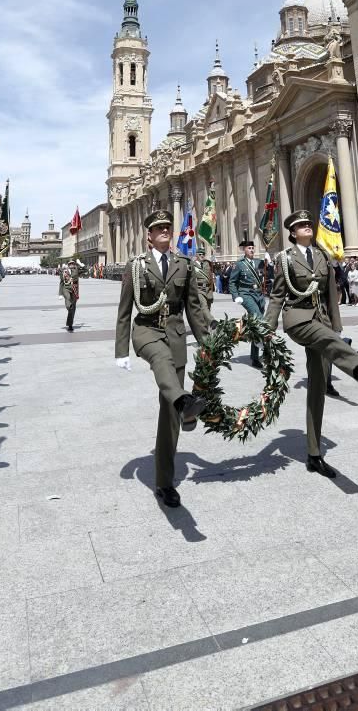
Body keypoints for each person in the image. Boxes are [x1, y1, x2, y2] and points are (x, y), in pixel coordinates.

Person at [265, 210, 358, 479]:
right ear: (292, 233)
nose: (307, 227)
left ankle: (314, 454)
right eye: (301, 225)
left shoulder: (322, 256)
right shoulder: (284, 259)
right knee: (330, 341)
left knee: (316, 385)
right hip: (298, 319)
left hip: (322, 320)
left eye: (308, 223)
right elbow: (278, 294)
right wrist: (267, 328)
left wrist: (336, 324)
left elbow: (330, 294)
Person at [115, 209, 212, 509]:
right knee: (160, 362)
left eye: (168, 227)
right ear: (149, 236)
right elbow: (124, 311)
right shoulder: (135, 266)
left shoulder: (184, 264)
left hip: (176, 335)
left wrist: (207, 341)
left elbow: (194, 307)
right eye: (159, 228)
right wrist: (121, 351)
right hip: (146, 331)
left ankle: (164, 482)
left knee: (168, 412)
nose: (165, 231)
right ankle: (185, 403)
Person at [228, 238, 266, 368]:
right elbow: (232, 282)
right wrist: (235, 296)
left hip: (259, 296)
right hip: (246, 294)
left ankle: (254, 357)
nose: (252, 250)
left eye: (253, 248)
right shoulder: (240, 264)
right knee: (259, 319)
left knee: (255, 325)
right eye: (249, 248)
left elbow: (269, 274)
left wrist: (270, 263)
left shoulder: (259, 262)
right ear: (244, 250)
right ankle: (264, 346)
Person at [59, 259, 81, 331]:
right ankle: (69, 306)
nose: (72, 265)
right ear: (68, 265)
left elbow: (86, 271)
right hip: (66, 289)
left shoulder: (77, 270)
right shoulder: (64, 271)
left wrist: (80, 264)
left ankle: (70, 324)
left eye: (73, 264)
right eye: (70, 264)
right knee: (68, 300)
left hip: (74, 290)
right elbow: (62, 282)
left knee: (72, 309)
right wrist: (60, 294)